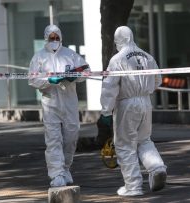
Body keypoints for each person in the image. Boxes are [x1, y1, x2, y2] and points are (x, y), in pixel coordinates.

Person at [100, 26, 167, 196]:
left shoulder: (117, 59)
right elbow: (158, 80)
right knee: (144, 140)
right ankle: (157, 167)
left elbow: (110, 87)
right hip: (145, 101)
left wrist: (106, 111)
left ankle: (133, 186)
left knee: (124, 145)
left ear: (119, 40)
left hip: (126, 104)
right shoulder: (147, 56)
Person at [28, 24, 90, 187]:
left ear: (61, 38)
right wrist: (48, 80)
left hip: (70, 102)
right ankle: (56, 174)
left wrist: (75, 77)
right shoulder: (39, 57)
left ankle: (65, 168)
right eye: (51, 38)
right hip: (50, 102)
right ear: (46, 38)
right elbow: (32, 79)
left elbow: (86, 71)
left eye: (56, 38)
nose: (54, 41)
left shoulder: (70, 54)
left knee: (71, 137)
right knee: (53, 139)